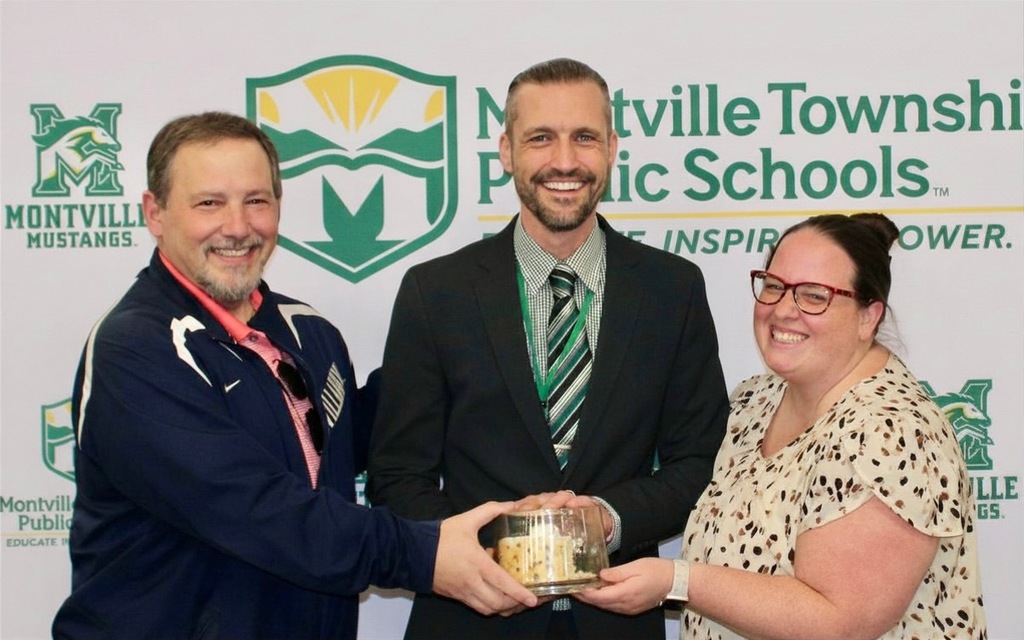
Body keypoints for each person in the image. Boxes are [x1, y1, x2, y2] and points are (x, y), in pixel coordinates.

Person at [51, 112, 537, 640]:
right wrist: (423, 553)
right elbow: (260, 513)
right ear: (156, 212)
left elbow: (379, 430)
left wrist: (487, 348)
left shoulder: (309, 334)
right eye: (209, 203)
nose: (237, 226)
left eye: (256, 201)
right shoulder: (136, 350)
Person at [367, 58, 730, 640]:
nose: (564, 162)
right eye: (541, 139)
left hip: (618, 621)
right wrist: (499, 544)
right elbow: (397, 475)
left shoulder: (672, 289)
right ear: (507, 151)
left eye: (584, 137)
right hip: (469, 619)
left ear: (612, 148)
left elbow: (701, 462)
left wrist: (605, 521)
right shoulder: (435, 292)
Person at [576, 213, 988, 639]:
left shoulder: (894, 432)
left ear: (869, 317)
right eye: (774, 286)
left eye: (814, 296)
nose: (783, 310)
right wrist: (603, 519)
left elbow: (838, 621)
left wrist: (677, 582)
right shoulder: (753, 401)